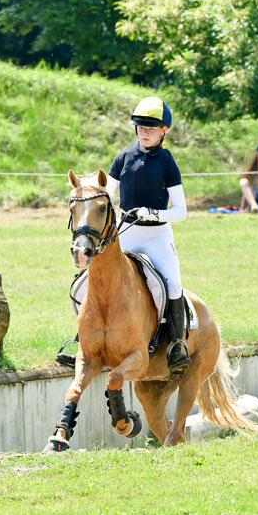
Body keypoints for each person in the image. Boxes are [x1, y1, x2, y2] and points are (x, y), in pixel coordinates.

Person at [107, 96, 190, 377]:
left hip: (157, 236)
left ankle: (177, 345)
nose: (144, 132)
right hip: (126, 233)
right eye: (141, 127)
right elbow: (107, 194)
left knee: (173, 284)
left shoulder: (167, 162)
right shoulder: (123, 158)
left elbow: (181, 211)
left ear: (164, 130)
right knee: (97, 276)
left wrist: (153, 213)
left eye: (151, 128)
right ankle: (82, 338)